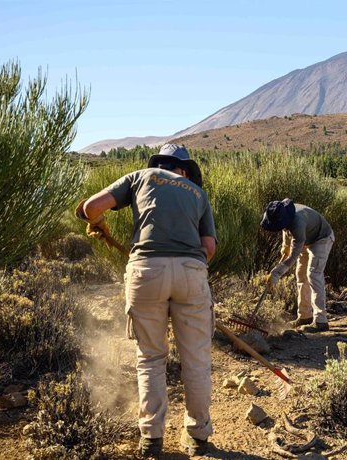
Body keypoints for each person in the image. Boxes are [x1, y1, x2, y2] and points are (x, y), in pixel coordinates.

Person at [76, 144, 218, 458]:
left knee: (151, 358)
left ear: (159, 164)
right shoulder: (197, 193)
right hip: (191, 274)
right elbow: (208, 247)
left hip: (145, 273)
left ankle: (152, 438)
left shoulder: (140, 177)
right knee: (196, 360)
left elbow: (90, 208)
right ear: (184, 169)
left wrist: (98, 223)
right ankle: (197, 437)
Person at [261, 199, 335, 333]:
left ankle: (321, 321)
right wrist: (285, 249)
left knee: (313, 275)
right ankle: (305, 316)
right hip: (307, 240)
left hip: (321, 239)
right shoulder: (283, 214)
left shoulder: (298, 222)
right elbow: (286, 232)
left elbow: (294, 254)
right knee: (301, 275)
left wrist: (277, 272)